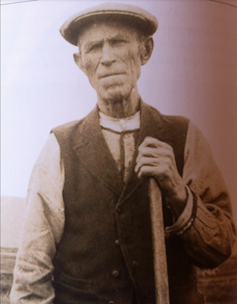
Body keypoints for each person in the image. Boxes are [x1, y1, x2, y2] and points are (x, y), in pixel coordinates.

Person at [10, 3, 235, 304]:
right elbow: (31, 272)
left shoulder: (184, 137)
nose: (106, 58)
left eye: (117, 42)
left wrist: (178, 192)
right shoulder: (60, 147)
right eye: (94, 48)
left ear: (145, 51)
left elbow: (220, 249)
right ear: (80, 62)